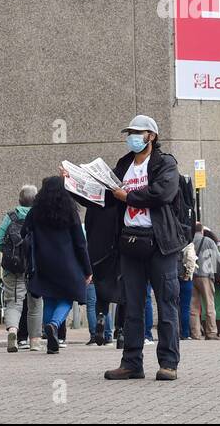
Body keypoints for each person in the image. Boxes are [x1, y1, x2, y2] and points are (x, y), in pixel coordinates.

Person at [74, 115, 182, 382]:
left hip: (160, 244)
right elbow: (105, 200)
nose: (132, 136)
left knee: (166, 304)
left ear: (151, 137)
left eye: (138, 132)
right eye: (129, 132)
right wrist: (75, 186)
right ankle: (131, 363)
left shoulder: (165, 163)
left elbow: (162, 194)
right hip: (130, 243)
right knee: (131, 305)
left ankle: (168, 363)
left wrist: (129, 196)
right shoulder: (124, 165)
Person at [24, 177, 91, 354]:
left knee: (49, 298)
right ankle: (54, 325)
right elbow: (80, 242)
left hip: (43, 261)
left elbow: (25, 232)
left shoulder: (35, 212)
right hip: (67, 261)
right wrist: (87, 268)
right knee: (68, 296)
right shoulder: (69, 211)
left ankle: (50, 335)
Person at [0, 186, 43, 352]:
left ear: (20, 199)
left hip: (13, 268)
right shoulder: (40, 216)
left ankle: (13, 331)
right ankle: (35, 341)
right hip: (35, 266)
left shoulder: (10, 216)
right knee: (35, 304)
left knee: (14, 303)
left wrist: (12, 255)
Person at [191, 224, 220, 340]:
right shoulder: (208, 241)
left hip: (191, 275)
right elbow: (218, 259)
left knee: (193, 306)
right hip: (206, 275)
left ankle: (195, 333)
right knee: (209, 304)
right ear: (202, 230)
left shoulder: (189, 240)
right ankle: (211, 332)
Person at [178, 239, 196, 340]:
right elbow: (191, 259)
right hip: (185, 277)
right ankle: (185, 332)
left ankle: (176, 331)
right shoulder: (188, 244)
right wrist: (188, 274)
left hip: (174, 276)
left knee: (174, 306)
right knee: (185, 307)